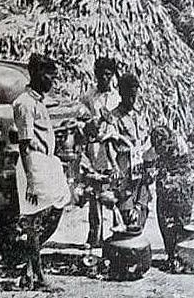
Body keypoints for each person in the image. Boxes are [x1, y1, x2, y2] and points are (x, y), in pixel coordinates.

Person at [13, 53, 71, 289]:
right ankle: (37, 276)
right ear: (36, 73)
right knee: (34, 222)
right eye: (48, 75)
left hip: (45, 162)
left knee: (58, 204)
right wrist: (32, 182)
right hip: (32, 164)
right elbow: (24, 145)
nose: (51, 81)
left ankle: (28, 270)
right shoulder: (25, 104)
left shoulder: (38, 102)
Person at [101, 73, 155, 229]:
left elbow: (147, 141)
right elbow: (109, 143)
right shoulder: (114, 117)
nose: (132, 100)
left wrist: (151, 165)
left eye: (134, 96)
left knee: (142, 207)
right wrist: (115, 167)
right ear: (121, 93)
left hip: (141, 168)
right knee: (125, 211)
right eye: (129, 96)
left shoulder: (141, 115)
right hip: (125, 168)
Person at [79, 57, 122, 246]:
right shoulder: (89, 97)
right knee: (94, 193)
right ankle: (95, 235)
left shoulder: (117, 97)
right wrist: (92, 125)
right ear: (96, 75)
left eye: (108, 74)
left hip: (112, 149)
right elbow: (80, 120)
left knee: (114, 192)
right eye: (101, 74)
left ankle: (116, 234)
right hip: (94, 148)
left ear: (112, 75)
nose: (104, 78)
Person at [151, 126, 194, 272]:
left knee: (180, 223)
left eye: (161, 144)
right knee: (165, 223)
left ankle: (181, 257)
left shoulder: (179, 146)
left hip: (181, 189)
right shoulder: (159, 149)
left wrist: (171, 181)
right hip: (166, 190)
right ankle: (171, 256)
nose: (159, 147)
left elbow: (188, 171)